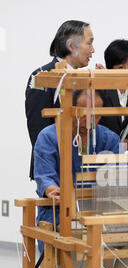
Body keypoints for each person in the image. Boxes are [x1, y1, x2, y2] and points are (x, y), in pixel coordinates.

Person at [34, 89, 120, 230]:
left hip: (99, 212)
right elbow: (45, 176)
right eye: (85, 114)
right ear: (70, 109)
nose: (91, 121)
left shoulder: (110, 139)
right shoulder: (49, 137)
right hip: (58, 212)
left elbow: (117, 177)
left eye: (97, 115)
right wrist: (53, 190)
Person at [26, 20, 95, 180]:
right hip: (54, 169)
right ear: (71, 46)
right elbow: (38, 127)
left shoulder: (84, 78)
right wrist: (48, 169)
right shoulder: (42, 76)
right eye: (89, 43)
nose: (93, 50)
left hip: (83, 166)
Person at [97, 39, 128, 152]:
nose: (126, 71)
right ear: (110, 68)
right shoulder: (101, 90)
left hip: (119, 153)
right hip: (99, 151)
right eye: (121, 67)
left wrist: (127, 141)